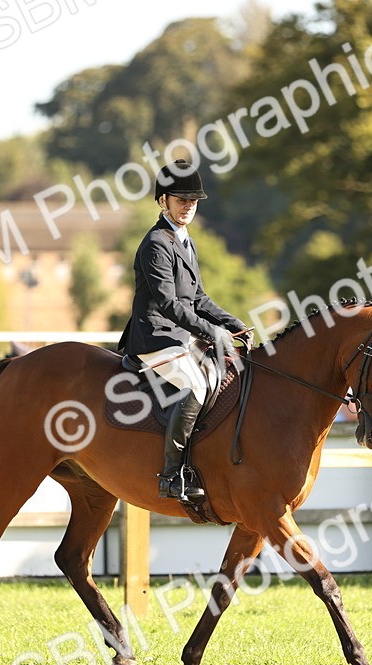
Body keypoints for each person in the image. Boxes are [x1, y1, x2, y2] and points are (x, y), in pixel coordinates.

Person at [118, 160, 248, 503]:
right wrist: (212, 332)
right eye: (181, 199)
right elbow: (168, 305)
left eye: (193, 200)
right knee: (196, 384)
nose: (188, 206)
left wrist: (231, 323)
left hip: (181, 335)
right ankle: (172, 474)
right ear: (163, 201)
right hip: (156, 336)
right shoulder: (156, 243)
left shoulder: (185, 240)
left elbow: (199, 298)